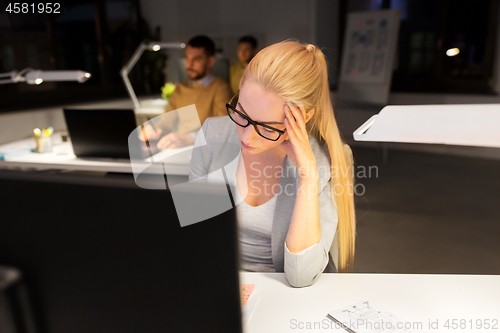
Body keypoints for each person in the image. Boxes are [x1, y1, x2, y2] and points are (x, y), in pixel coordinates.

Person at [188, 40, 356, 288]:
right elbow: (190, 235)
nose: (246, 137)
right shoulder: (212, 133)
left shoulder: (327, 159)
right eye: (242, 113)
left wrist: (308, 176)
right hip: (213, 282)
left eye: (266, 127)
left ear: (303, 116)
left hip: (282, 293)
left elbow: (301, 276)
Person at [140, 35, 233, 149]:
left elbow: (225, 126)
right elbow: (168, 119)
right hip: (178, 147)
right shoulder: (180, 88)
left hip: (204, 149)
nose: (189, 64)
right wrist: (156, 130)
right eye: (187, 58)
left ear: (210, 61)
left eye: (196, 59)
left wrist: (190, 138)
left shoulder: (221, 88)